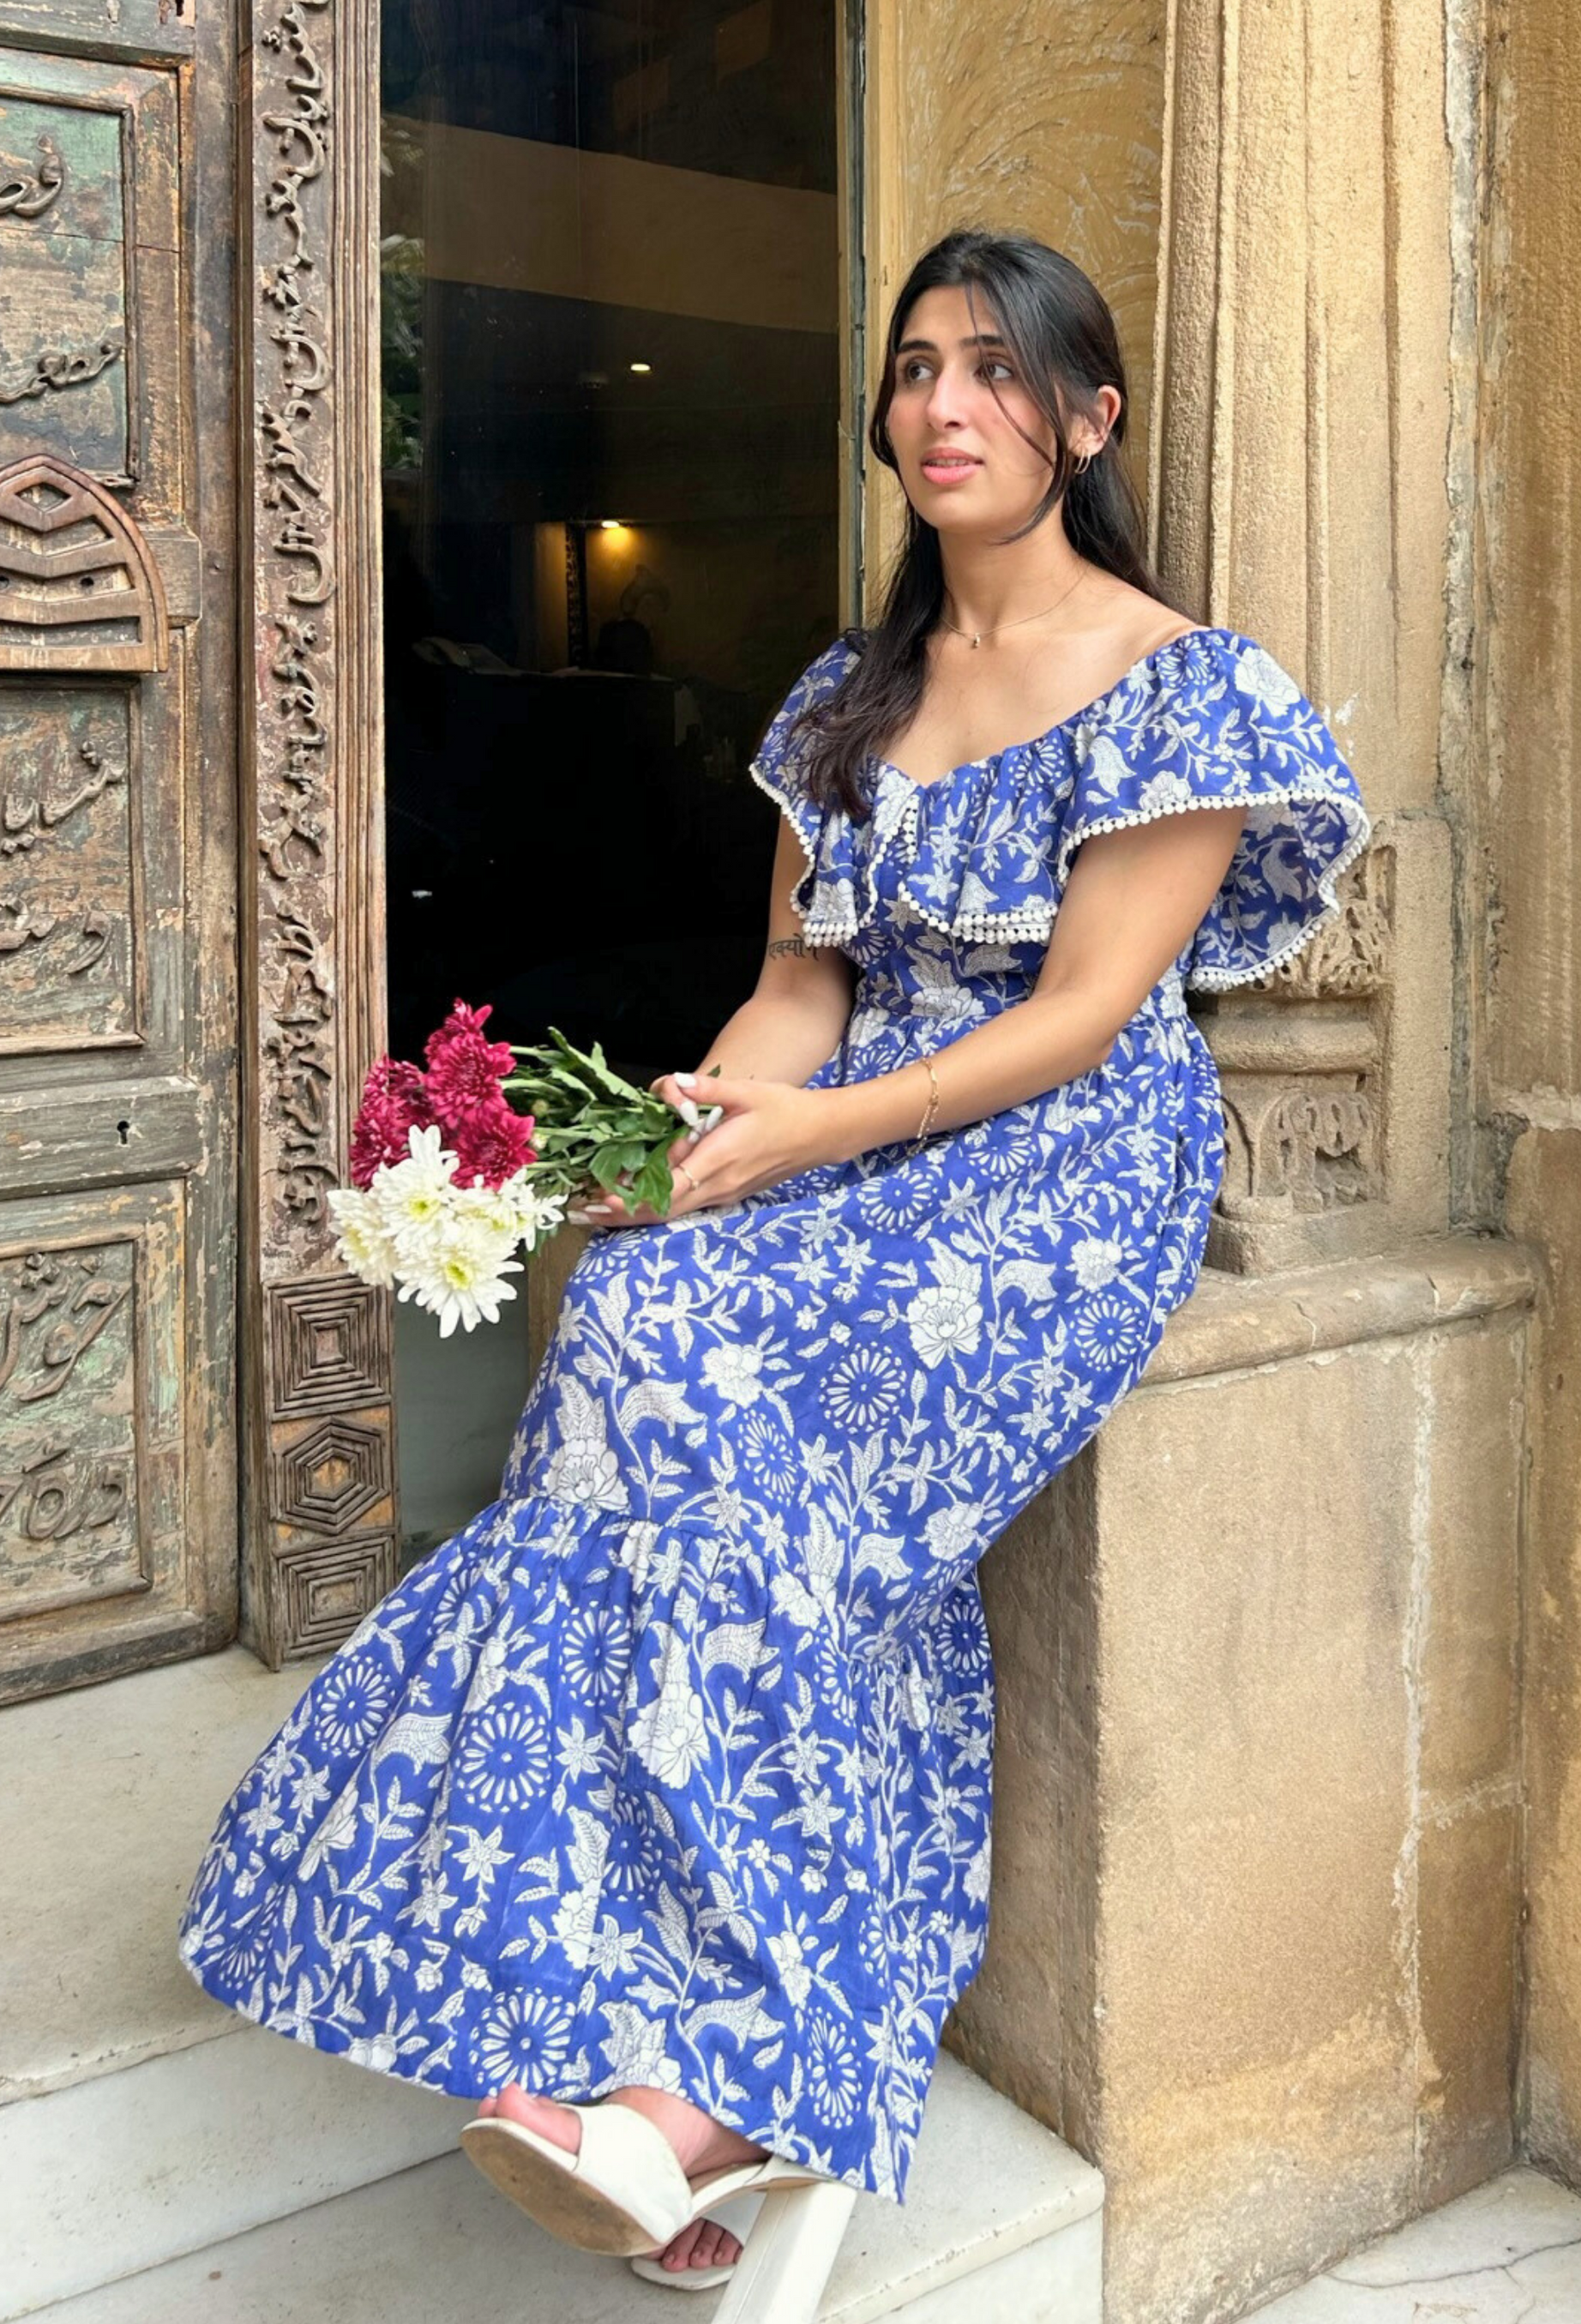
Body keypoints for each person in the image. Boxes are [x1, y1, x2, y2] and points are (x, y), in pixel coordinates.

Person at [179, 227, 1372, 2292]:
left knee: (716, 1399)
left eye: (999, 372)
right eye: (916, 368)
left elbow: (1086, 1011)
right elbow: (797, 988)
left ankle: (710, 2089)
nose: (945, 406)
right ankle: (651, 2062)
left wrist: (811, 1137)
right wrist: (691, 1133)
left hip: (1057, 1162)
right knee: (635, 1310)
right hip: (855, 1120)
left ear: (1086, 420)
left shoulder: (1183, 679)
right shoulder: (850, 690)